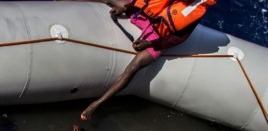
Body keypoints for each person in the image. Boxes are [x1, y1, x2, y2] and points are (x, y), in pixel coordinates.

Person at [78, 0, 216, 120]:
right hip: (147, 17)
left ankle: (97, 103)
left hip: (158, 37)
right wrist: (126, 8)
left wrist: (150, 44)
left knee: (134, 67)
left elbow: (177, 39)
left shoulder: (197, 10)